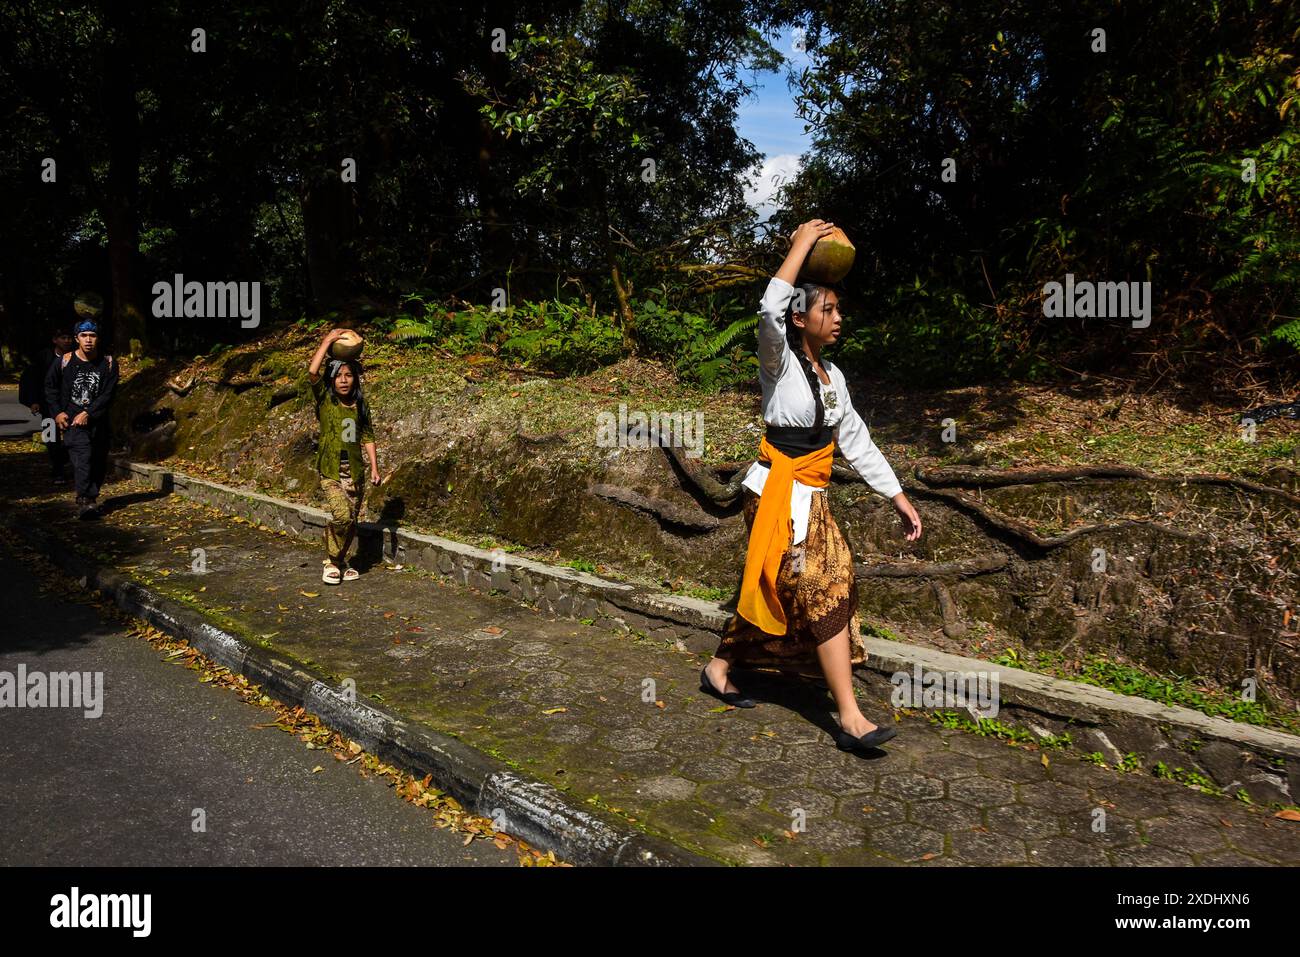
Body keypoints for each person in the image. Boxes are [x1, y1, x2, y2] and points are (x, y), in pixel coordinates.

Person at [702, 218, 923, 756]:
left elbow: (858, 441)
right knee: (818, 582)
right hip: (774, 492)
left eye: (839, 310)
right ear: (801, 317)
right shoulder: (777, 363)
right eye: (830, 310)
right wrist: (801, 245)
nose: (839, 318)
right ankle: (849, 716)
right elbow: (766, 309)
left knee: (793, 584)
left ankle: (721, 665)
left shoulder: (835, 378)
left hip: (814, 497)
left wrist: (897, 496)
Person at [307, 328, 380, 584]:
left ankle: (338, 563)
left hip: (355, 470)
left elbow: (368, 437)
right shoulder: (326, 401)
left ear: (356, 379)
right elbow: (313, 373)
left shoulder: (360, 406)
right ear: (332, 379)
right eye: (339, 376)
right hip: (330, 469)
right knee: (341, 515)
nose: (344, 380)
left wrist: (374, 468)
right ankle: (331, 559)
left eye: (349, 375)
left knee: (351, 521)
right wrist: (327, 341)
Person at [44, 319, 118, 519]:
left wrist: (89, 413)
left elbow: (108, 394)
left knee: (98, 460)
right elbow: (50, 387)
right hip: (72, 422)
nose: (88, 340)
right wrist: (57, 412)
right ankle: (85, 500)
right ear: (77, 339)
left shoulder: (109, 363)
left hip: (98, 421)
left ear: (98, 339)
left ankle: (91, 495)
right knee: (82, 458)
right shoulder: (64, 361)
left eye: (92, 336)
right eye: (84, 336)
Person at [20, 326, 75, 483]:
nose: (66, 341)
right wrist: (33, 401)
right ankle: (58, 471)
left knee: (73, 437)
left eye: (69, 338)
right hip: (48, 405)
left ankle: (64, 460)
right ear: (55, 340)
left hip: (70, 405)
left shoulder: (77, 356)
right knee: (50, 437)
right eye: (62, 338)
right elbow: (31, 379)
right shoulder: (43, 357)